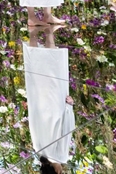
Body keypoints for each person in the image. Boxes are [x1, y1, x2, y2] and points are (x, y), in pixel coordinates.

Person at [24, 26, 75, 173]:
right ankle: (33, 30)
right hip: (39, 103)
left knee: (54, 67)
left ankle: (49, 32)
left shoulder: (60, 157)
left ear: (58, 172)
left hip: (56, 106)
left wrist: (69, 107)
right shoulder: (38, 150)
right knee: (36, 70)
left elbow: (67, 130)